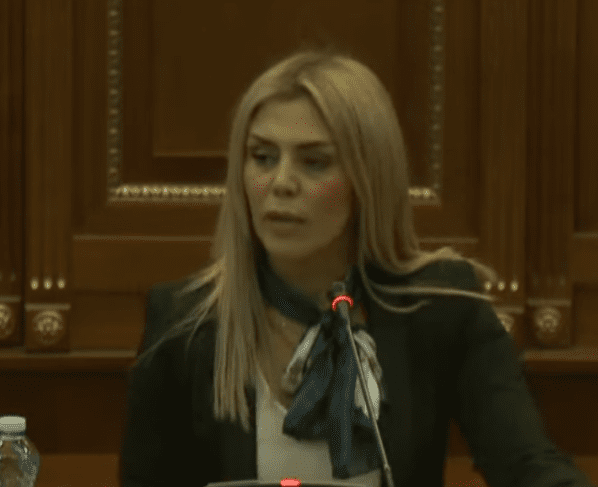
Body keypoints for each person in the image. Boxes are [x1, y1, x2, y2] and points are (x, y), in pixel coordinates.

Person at [119, 45, 596, 487]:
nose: (280, 183)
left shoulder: (440, 308)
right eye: (262, 157)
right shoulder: (184, 323)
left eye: (314, 162)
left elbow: (528, 466)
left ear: (367, 178)